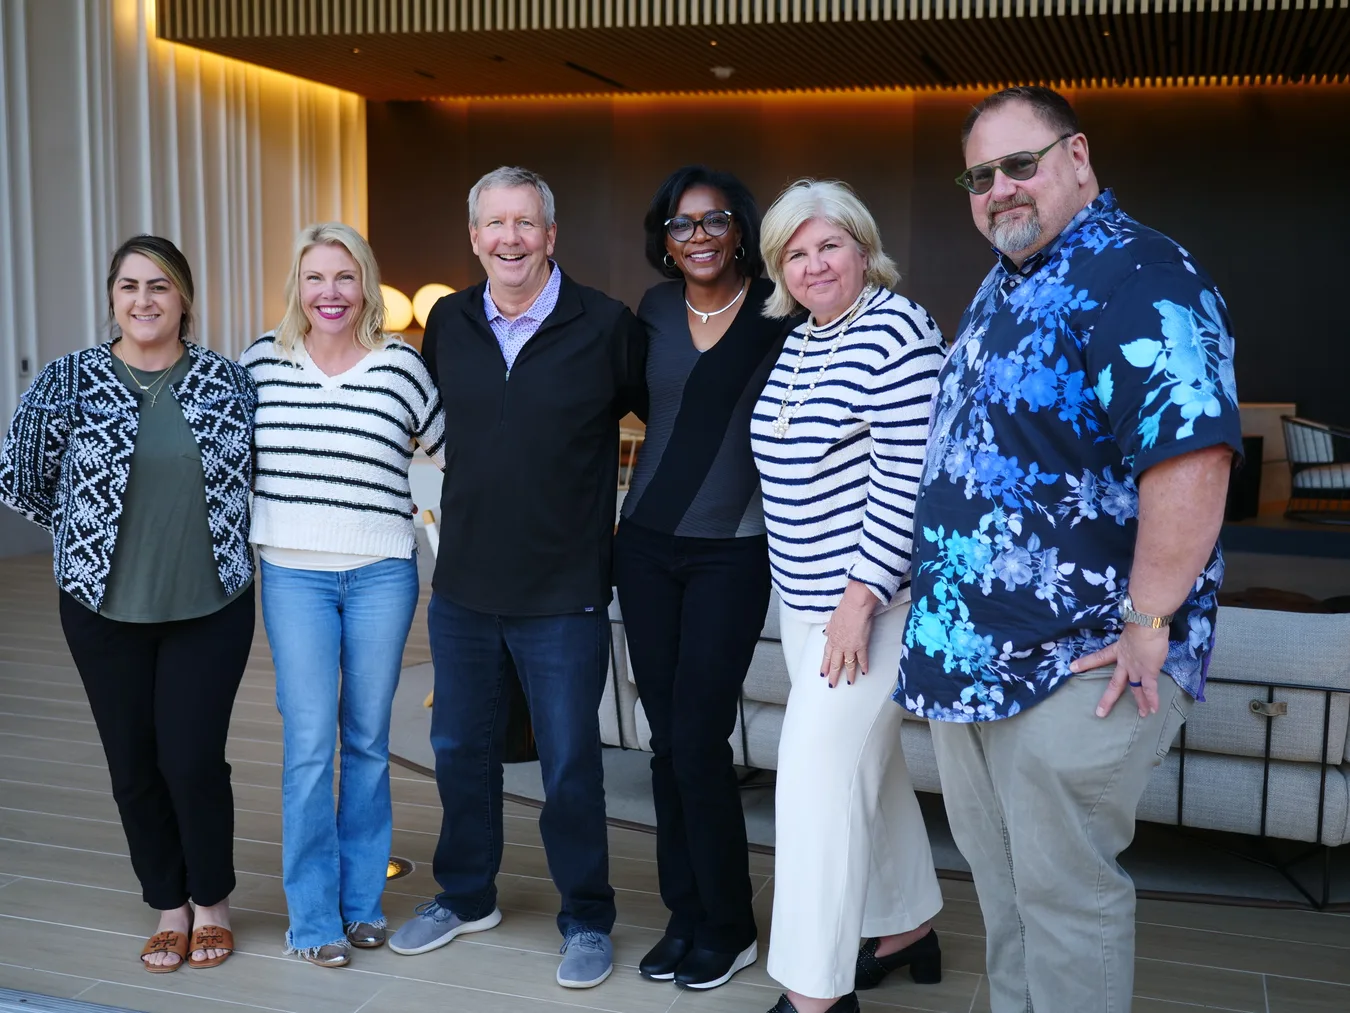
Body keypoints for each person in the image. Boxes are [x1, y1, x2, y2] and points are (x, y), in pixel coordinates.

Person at [897, 86, 1240, 1013]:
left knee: (1062, 897)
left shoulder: (1140, 272)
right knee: (1007, 892)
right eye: (979, 176)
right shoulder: (1006, 279)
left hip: (1080, 657)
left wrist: (1149, 620)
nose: (999, 189)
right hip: (975, 658)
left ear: (1078, 157)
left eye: (1020, 164)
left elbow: (1193, 456)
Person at [388, 166, 646, 989]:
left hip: (564, 591)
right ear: (474, 237)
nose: (510, 238)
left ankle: (588, 915)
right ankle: (467, 895)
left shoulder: (605, 324)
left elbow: (664, 420)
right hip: (464, 584)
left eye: (525, 223)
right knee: (460, 750)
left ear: (550, 234)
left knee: (570, 762)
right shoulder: (449, 322)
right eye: (495, 224)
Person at [0, 235, 257, 973]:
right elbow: (21, 475)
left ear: (185, 298)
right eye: (129, 286)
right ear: (112, 297)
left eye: (160, 286)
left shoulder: (227, 382)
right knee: (133, 765)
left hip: (211, 606)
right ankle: (169, 905)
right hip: (102, 612)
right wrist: (87, 536)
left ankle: (211, 901)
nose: (144, 300)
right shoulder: (68, 380)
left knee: (193, 759)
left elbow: (256, 475)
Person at [750, 180, 946, 1013]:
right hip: (806, 605)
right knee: (869, 768)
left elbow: (907, 479)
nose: (814, 264)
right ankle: (906, 926)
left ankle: (814, 994)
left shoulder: (898, 331)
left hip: (871, 610)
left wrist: (860, 600)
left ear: (863, 248)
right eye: (795, 253)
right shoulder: (803, 339)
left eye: (828, 244)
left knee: (812, 788)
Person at [240, 223, 446, 968]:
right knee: (307, 746)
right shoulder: (261, 363)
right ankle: (311, 917)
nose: (330, 293)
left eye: (345, 276)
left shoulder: (402, 366)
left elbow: (456, 452)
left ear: (366, 284)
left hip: (382, 572)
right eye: (315, 277)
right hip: (292, 573)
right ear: (297, 287)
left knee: (366, 741)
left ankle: (361, 904)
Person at [614, 166, 788, 990]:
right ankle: (683, 914)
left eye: (714, 220)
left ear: (740, 228)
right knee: (665, 742)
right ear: (665, 239)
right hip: (645, 545)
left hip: (732, 550)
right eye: (681, 225)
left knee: (699, 739)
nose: (699, 237)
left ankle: (729, 924)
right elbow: (656, 409)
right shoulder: (653, 310)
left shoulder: (780, 307)